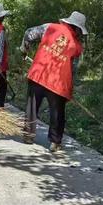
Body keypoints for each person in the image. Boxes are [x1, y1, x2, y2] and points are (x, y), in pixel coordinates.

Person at [20, 11, 87, 153]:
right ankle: (55, 142)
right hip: (58, 83)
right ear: (77, 28)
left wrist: (24, 49)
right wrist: (68, 90)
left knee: (32, 107)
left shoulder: (50, 27)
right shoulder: (77, 47)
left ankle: (28, 135)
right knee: (57, 112)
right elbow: (72, 71)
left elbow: (29, 33)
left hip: (38, 75)